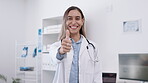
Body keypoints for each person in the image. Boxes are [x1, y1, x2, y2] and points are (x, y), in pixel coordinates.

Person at [49, 6, 102, 83]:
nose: (73, 22)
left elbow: (97, 75)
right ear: (65, 21)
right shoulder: (56, 46)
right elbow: (55, 58)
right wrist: (61, 51)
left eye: (77, 18)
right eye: (70, 18)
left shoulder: (93, 47)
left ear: (82, 21)